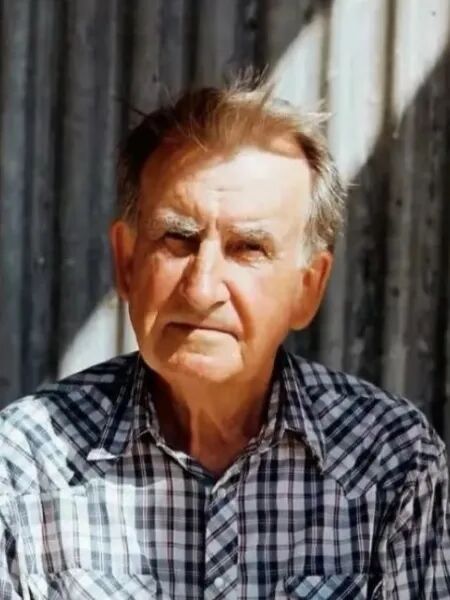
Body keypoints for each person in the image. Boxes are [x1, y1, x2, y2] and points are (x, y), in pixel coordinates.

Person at [0, 79, 449, 600]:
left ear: (307, 289)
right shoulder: (23, 465)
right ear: (126, 264)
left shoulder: (392, 461)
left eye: (248, 248)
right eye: (177, 239)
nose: (202, 287)